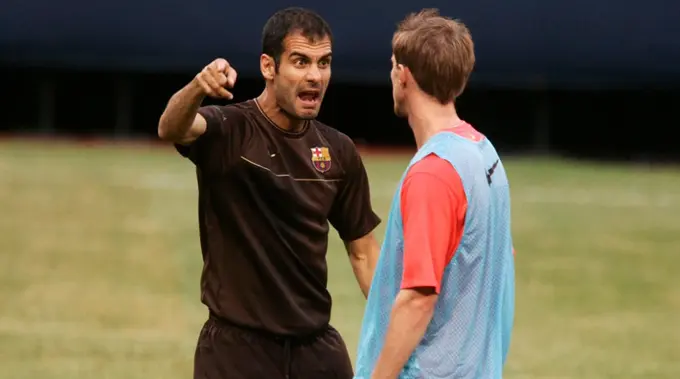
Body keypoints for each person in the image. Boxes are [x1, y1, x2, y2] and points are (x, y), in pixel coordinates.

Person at [157, 7, 381, 379]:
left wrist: (399, 327)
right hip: (236, 351)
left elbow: (364, 254)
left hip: (316, 351)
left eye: (323, 63)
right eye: (300, 61)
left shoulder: (338, 151)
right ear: (268, 67)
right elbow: (172, 127)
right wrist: (198, 88)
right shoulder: (230, 130)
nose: (315, 76)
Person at [353, 9, 515, 379]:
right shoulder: (485, 153)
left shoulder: (433, 173)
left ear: (403, 75)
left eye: (393, 66)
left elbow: (418, 298)